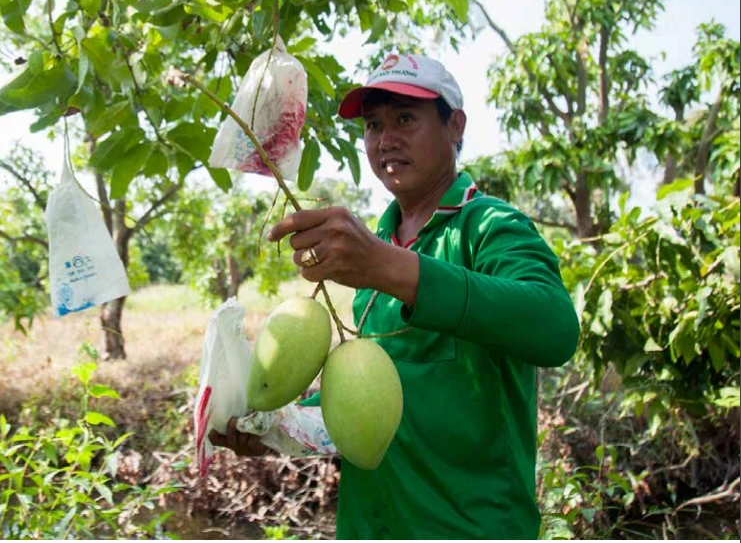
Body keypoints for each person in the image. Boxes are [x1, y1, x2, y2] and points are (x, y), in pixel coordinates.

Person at [210, 53, 580, 539]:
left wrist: (389, 267)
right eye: (374, 125)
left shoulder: (490, 227)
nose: (386, 140)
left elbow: (555, 328)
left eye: (406, 118)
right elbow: (373, 393)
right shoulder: (377, 253)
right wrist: (279, 425)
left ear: (455, 126)